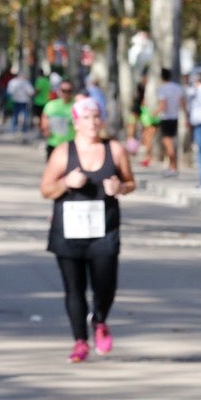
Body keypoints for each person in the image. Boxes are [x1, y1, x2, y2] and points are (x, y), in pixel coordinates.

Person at [38, 95, 136, 363]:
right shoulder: (63, 152)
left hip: (104, 228)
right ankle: (79, 341)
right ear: (76, 122)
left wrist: (120, 188)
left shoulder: (114, 149)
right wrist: (67, 182)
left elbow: (130, 182)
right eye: (86, 118)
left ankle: (100, 320)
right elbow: (45, 189)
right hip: (69, 230)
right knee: (74, 288)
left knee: (106, 285)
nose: (93, 123)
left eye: (96, 117)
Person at [155, 67, 184, 177]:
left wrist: (154, 113)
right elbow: (182, 103)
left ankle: (173, 167)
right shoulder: (177, 88)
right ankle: (171, 167)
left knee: (168, 144)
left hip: (166, 118)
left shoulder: (162, 89)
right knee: (172, 143)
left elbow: (163, 105)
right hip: (175, 118)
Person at [41, 78, 76, 161]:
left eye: (69, 91)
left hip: (71, 145)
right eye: (64, 90)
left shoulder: (77, 106)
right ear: (59, 91)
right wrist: (45, 129)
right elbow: (44, 118)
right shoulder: (51, 105)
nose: (66, 93)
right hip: (54, 143)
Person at [6, 70, 33, 137]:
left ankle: (13, 129)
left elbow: (9, 91)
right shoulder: (26, 82)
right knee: (24, 115)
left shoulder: (13, 82)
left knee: (15, 115)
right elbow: (31, 92)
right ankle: (24, 129)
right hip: (24, 101)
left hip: (16, 100)